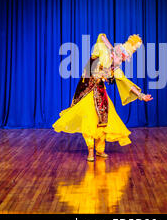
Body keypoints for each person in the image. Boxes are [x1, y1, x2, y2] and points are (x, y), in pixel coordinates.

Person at [53, 33, 153, 161]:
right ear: (117, 54)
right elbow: (101, 37)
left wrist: (141, 95)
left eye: (123, 61)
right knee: (89, 121)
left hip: (100, 94)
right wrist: (111, 48)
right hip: (86, 91)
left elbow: (126, 82)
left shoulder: (115, 69)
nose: (121, 63)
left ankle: (100, 150)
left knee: (104, 120)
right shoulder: (103, 53)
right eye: (121, 60)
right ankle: (90, 151)